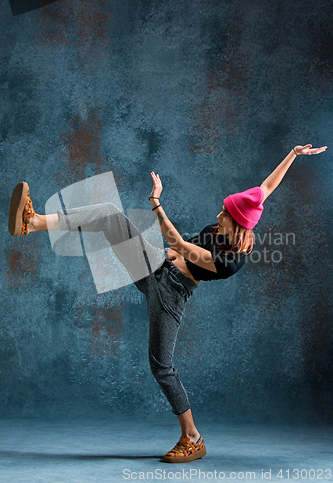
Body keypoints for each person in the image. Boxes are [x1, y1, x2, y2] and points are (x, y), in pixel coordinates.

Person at [8, 143, 326, 463]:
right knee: (108, 214)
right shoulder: (244, 216)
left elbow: (179, 243)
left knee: (161, 366)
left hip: (171, 294)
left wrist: (156, 202)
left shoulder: (230, 261)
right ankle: (32, 223)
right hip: (155, 264)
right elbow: (266, 187)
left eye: (224, 214)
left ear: (237, 224)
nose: (218, 215)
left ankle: (193, 437)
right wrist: (293, 155)